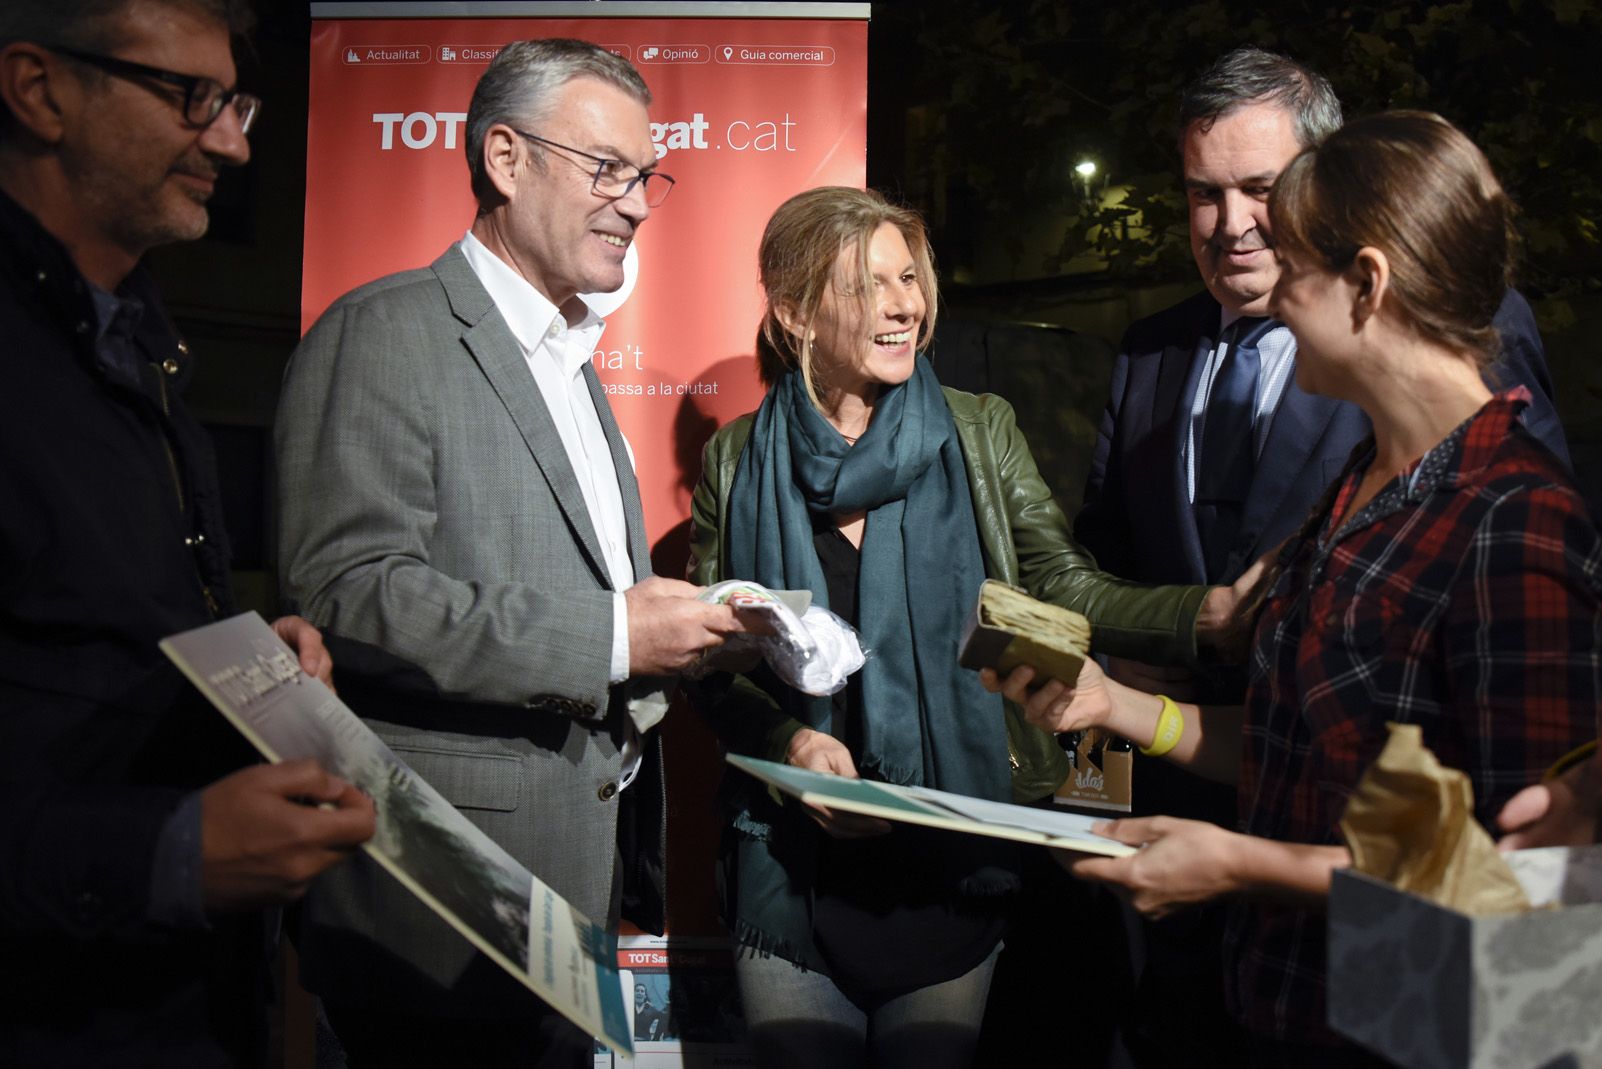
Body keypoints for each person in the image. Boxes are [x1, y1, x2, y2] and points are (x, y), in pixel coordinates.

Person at [998, 111, 1602, 1065]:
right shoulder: (1356, 488)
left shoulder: (1513, 521)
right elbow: (1294, 749)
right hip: (1279, 1014)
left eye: (1297, 268)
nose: (1272, 297)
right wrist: (1119, 706)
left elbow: (1530, 891)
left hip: (1418, 1034)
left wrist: (1245, 865)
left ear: (1368, 284)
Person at [685, 186, 1238, 1068]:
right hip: (795, 871)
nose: (905, 304)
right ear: (795, 313)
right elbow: (711, 662)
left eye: (910, 277)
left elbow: (1060, 583)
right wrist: (790, 741)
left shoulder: (977, 430)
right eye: (870, 286)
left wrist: (1202, 617)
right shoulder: (736, 459)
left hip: (953, 860)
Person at [275, 38, 745, 1066]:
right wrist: (616, 633)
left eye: (646, 177)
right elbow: (348, 593)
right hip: (436, 914)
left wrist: (677, 636)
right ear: (505, 157)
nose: (635, 203)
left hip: (568, 902)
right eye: (607, 169)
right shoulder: (385, 333)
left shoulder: (571, 365)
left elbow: (571, 598)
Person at [0, 1, 376, 1063]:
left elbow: (87, 636)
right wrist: (165, 852)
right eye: (190, 99)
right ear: (40, 91)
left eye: (236, 101)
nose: (234, 141)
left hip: (180, 997)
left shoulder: (139, 338)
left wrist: (249, 665)